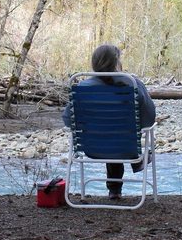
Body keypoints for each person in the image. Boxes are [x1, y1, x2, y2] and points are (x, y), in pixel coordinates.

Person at [62, 44, 156, 199]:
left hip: (93, 148)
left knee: (109, 134)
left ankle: (114, 191)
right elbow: (149, 119)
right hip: (127, 147)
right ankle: (137, 161)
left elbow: (68, 120)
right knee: (119, 134)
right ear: (116, 62)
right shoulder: (132, 83)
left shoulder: (82, 87)